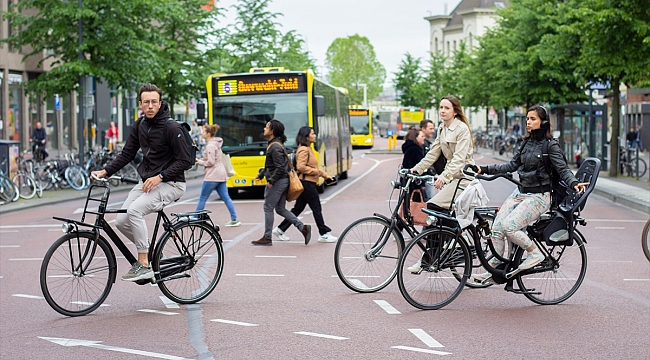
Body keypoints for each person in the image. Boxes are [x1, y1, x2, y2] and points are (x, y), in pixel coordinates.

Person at [472, 105, 589, 284]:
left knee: (510, 227)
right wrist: (484, 169)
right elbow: (510, 166)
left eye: (533, 119)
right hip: (520, 192)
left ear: (543, 122)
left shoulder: (551, 146)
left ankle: (535, 253)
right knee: (496, 228)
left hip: (539, 197)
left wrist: (574, 183)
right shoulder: (526, 142)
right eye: (527, 118)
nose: (528, 121)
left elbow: (563, 170)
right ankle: (495, 267)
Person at [91, 83, 190, 282]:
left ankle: (143, 263)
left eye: (154, 102)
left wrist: (160, 177)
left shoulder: (171, 128)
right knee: (120, 220)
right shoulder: (140, 125)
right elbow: (127, 153)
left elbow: (185, 161)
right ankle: (152, 253)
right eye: (147, 102)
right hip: (147, 182)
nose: (151, 106)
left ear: (160, 103)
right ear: (140, 104)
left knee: (134, 211)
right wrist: (105, 171)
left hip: (171, 183)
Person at [407, 96, 475, 273]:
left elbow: (459, 159)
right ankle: (432, 255)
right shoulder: (442, 128)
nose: (442, 110)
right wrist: (415, 170)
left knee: (434, 206)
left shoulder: (462, 129)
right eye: (441, 107)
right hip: (451, 178)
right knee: (436, 214)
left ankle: (460, 244)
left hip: (464, 177)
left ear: (455, 110)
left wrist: (444, 177)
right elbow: (433, 153)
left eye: (446, 108)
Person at [273, 126, 337, 243]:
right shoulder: (303, 149)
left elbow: (312, 167)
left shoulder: (308, 148)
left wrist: (325, 176)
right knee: (316, 208)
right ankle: (323, 233)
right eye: (312, 134)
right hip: (307, 183)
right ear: (306, 137)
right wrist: (318, 173)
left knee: (298, 209)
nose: (315, 135)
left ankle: (280, 229)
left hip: (308, 182)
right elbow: (301, 167)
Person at [252, 119, 311, 246]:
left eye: (267, 127)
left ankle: (267, 237)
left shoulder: (274, 147)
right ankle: (302, 228)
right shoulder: (275, 144)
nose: (264, 129)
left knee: (268, 207)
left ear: (272, 131)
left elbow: (279, 168)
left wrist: (271, 181)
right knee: (280, 209)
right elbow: (271, 165)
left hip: (278, 181)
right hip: (283, 181)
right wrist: (261, 174)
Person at [195, 123, 240, 227]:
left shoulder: (210, 145)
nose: (202, 133)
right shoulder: (216, 144)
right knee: (226, 197)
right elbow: (214, 159)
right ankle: (234, 219)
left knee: (202, 198)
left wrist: (199, 162)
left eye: (204, 131)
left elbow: (210, 162)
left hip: (212, 175)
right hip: (221, 174)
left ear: (208, 134)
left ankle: (196, 217)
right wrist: (202, 160)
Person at [419, 119, 436, 201]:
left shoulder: (427, 143)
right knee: (429, 200)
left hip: (427, 176)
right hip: (425, 177)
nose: (433, 131)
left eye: (433, 129)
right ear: (423, 129)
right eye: (430, 129)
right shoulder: (422, 144)